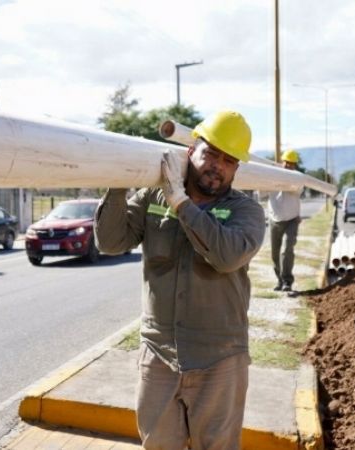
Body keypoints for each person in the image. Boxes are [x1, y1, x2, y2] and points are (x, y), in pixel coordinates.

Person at [94, 110, 265, 449]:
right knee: (158, 444)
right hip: (159, 353)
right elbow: (110, 242)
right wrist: (118, 183)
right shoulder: (153, 196)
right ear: (190, 151)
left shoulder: (246, 212)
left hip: (220, 358)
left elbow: (227, 257)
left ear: (236, 169)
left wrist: (181, 203)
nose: (217, 166)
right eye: (211, 154)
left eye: (228, 160)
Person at [267, 149, 303, 292]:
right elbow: (261, 192)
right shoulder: (271, 176)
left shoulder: (298, 178)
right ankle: (279, 280)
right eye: (287, 163)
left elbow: (296, 190)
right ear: (282, 162)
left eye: (292, 164)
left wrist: (281, 179)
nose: (289, 166)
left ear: (295, 165)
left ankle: (287, 281)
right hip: (275, 219)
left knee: (287, 249)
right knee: (275, 253)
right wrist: (270, 177)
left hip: (292, 219)